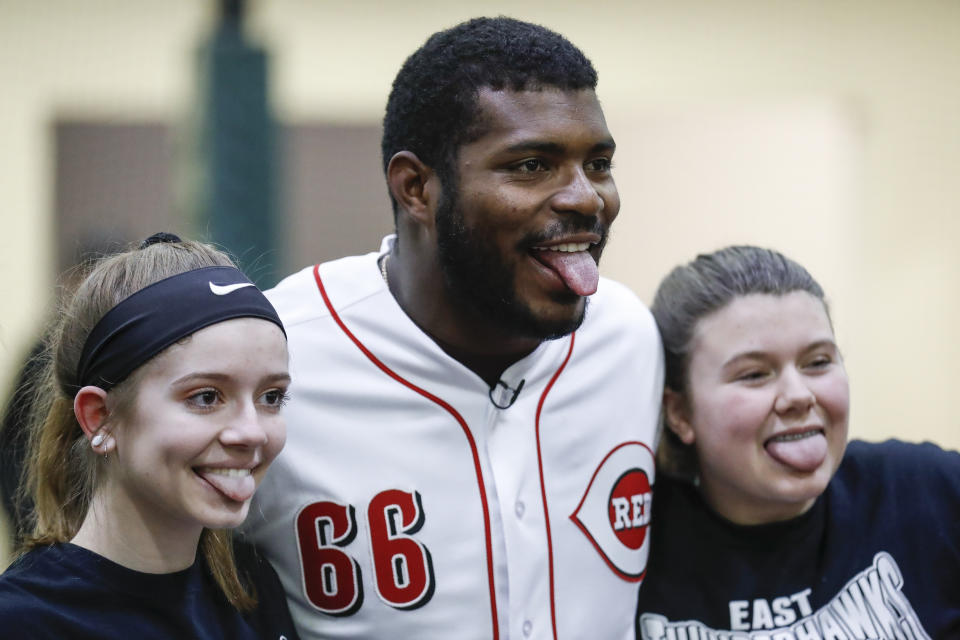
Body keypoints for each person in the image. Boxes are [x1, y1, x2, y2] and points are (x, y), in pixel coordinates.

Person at [243, 16, 663, 640]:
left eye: (597, 163)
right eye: (530, 166)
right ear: (416, 187)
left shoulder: (628, 337)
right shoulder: (275, 354)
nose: (586, 198)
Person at [636, 246, 960, 639]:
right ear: (679, 413)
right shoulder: (631, 542)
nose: (799, 394)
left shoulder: (928, 491)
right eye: (754, 374)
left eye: (818, 362)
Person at [0, 233, 301, 639]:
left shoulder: (253, 591)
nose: (251, 432)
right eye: (207, 397)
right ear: (100, 418)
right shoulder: (25, 620)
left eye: (271, 397)